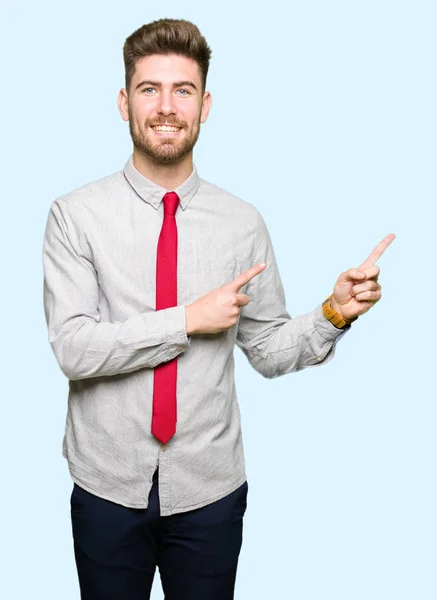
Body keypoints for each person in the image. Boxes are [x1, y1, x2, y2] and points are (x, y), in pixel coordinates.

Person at [42, 17, 395, 600]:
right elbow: (74, 349)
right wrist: (187, 321)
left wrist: (332, 313)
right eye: (149, 89)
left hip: (210, 492)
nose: (165, 107)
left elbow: (269, 350)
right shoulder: (74, 216)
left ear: (205, 105)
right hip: (106, 486)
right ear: (123, 101)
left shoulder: (242, 222)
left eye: (182, 90)